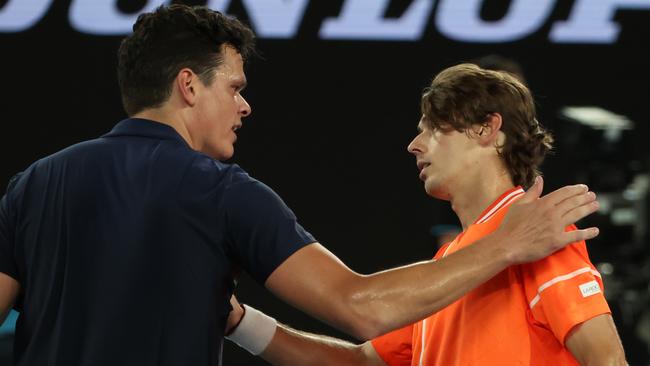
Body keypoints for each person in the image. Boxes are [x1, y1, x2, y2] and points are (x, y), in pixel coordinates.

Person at [0, 5, 600, 366]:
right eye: (234, 87)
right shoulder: (222, 191)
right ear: (188, 86)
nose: (246, 105)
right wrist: (507, 245)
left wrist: (238, 322)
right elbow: (361, 310)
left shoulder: (34, 184)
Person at [226, 64, 627, 365]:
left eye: (435, 128)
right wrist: (240, 322)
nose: (414, 145)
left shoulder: (539, 235)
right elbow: (359, 362)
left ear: (488, 129)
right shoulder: (454, 262)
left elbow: (607, 361)